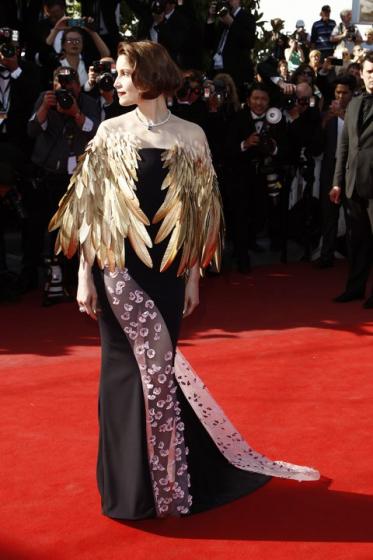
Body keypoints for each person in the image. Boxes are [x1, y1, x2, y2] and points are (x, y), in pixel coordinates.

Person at [49, 40, 319, 520]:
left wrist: (194, 277)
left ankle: (167, 482)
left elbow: (200, 214)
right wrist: (85, 277)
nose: (116, 82)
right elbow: (91, 212)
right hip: (119, 270)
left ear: (150, 76)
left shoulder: (191, 134)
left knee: (157, 374)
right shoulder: (110, 132)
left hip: (169, 272)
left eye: (125, 73)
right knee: (122, 375)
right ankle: (129, 490)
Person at [331, 52, 373, 307]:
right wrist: (337, 181)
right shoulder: (354, 103)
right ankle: (355, 288)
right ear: (361, 74)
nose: (372, 76)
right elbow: (344, 146)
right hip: (353, 182)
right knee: (357, 241)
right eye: (368, 71)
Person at [317, 74, 356, 268]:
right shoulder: (328, 113)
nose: (340, 97)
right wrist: (325, 120)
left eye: (345, 93)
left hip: (351, 171)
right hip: (330, 170)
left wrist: (342, 116)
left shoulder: (359, 112)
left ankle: (354, 259)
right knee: (328, 216)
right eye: (337, 92)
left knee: (352, 218)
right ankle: (326, 256)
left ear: (352, 94)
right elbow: (317, 144)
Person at [205, 0, 256, 99]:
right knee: (212, 102)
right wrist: (210, 18)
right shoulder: (221, 19)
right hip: (215, 71)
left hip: (234, 74)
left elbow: (249, 42)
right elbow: (208, 44)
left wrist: (231, 22)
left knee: (230, 105)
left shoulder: (247, 17)